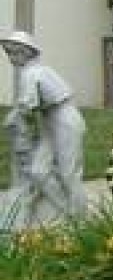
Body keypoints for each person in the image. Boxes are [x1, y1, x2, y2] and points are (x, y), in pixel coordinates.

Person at [2, 31, 88, 225]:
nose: (10, 57)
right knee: (38, 171)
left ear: (25, 52)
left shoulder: (33, 72)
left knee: (69, 174)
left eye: (13, 52)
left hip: (65, 121)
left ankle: (81, 221)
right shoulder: (31, 71)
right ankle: (67, 210)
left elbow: (27, 105)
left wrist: (13, 116)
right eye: (8, 52)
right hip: (49, 123)